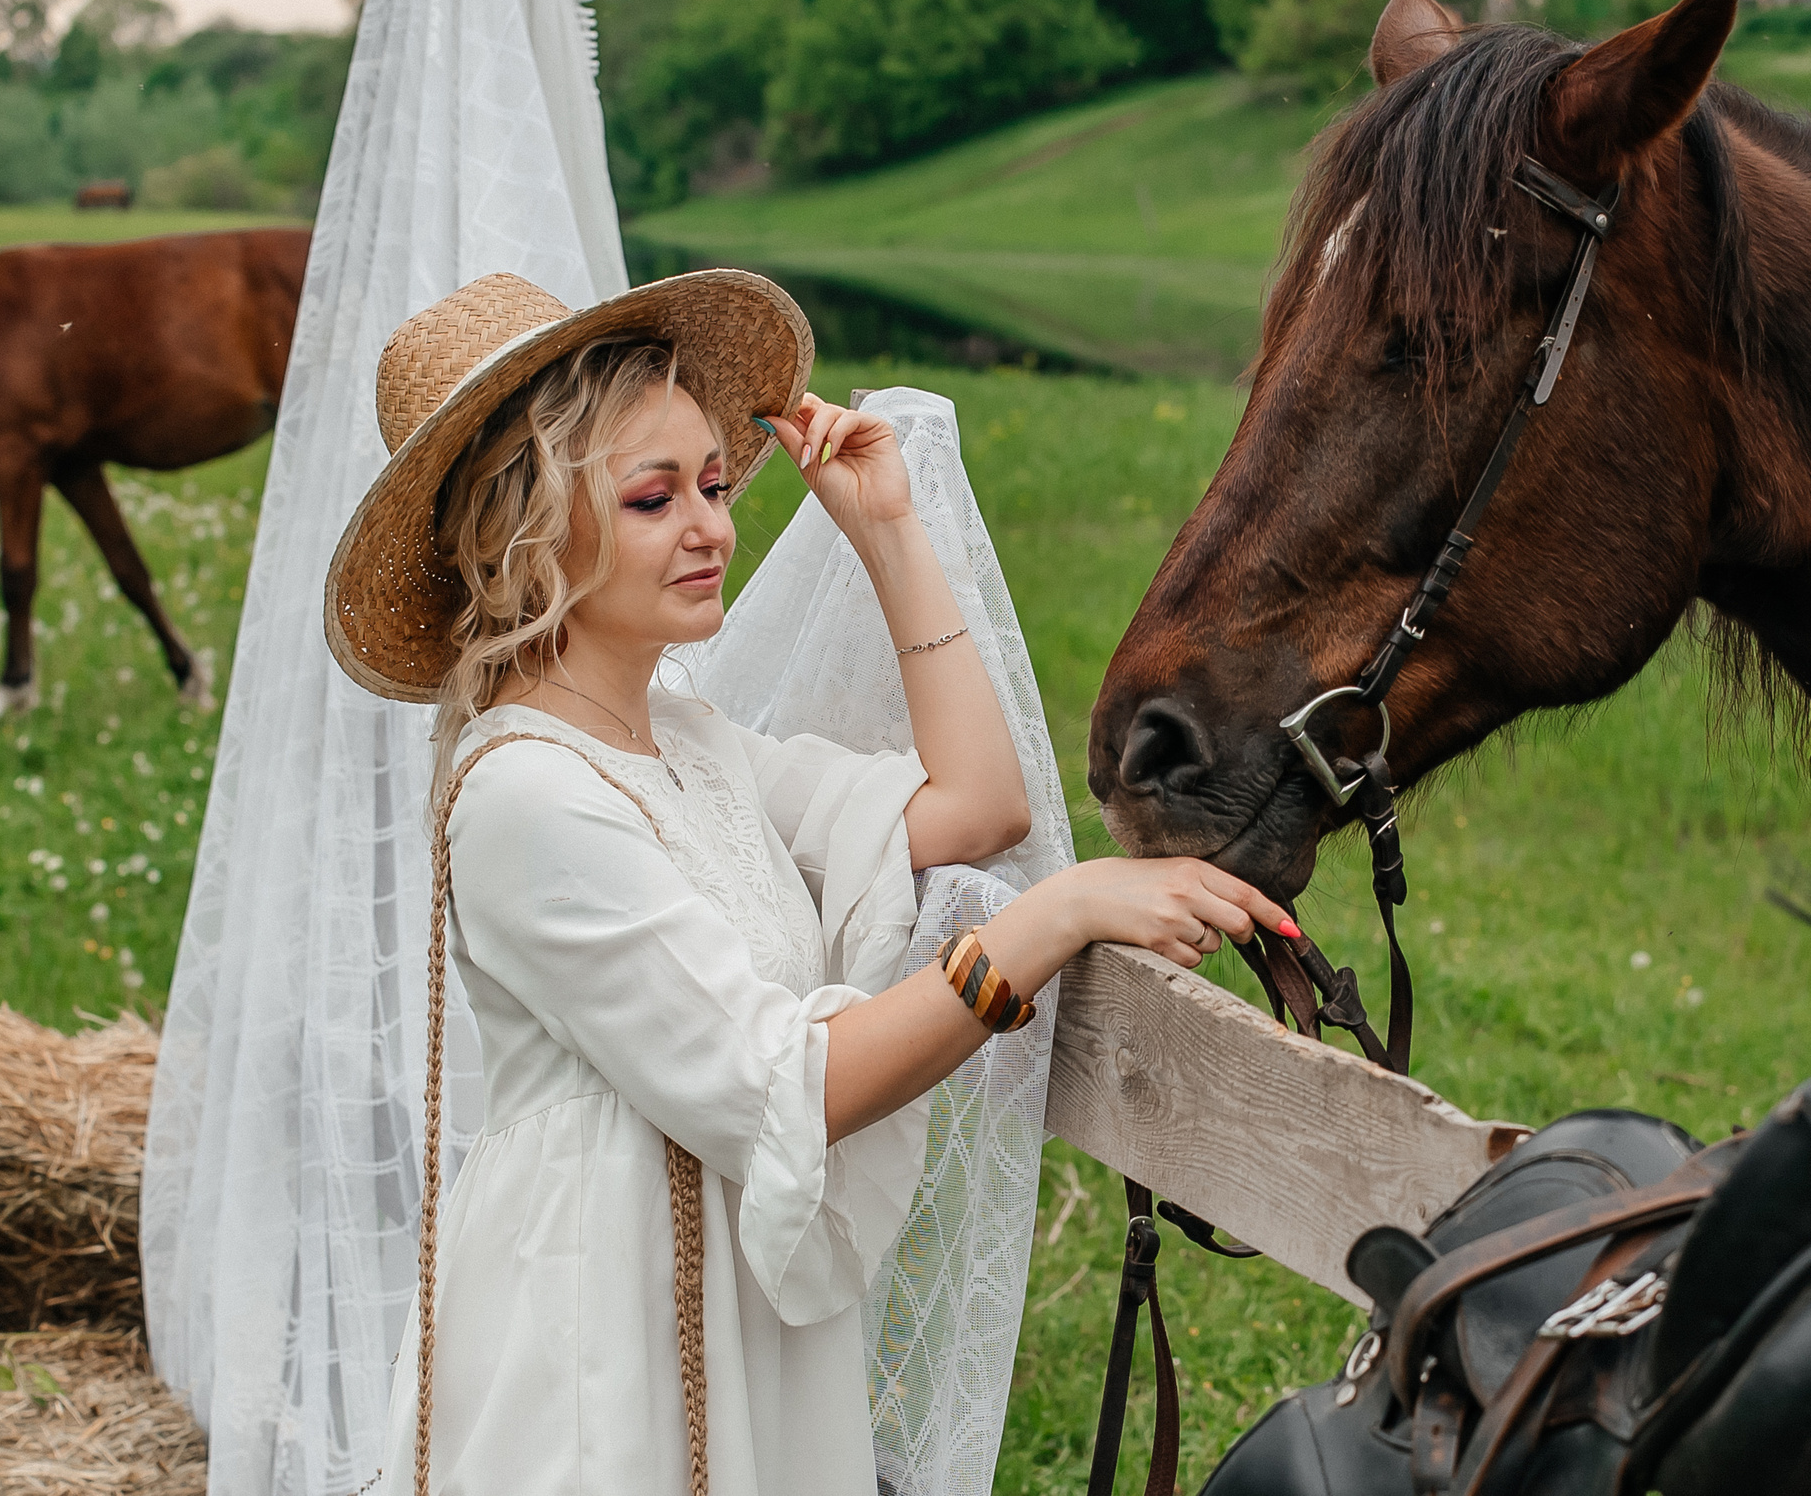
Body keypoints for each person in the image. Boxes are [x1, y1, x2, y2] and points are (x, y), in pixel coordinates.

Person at [324, 268, 1292, 1495]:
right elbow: (790, 1084)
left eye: (716, 485)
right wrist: (1059, 915)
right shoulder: (525, 795)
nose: (711, 527)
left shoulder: (687, 743)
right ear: (524, 532)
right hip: (600, 1339)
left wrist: (883, 529)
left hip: (736, 1309)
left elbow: (976, 804)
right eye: (650, 496)